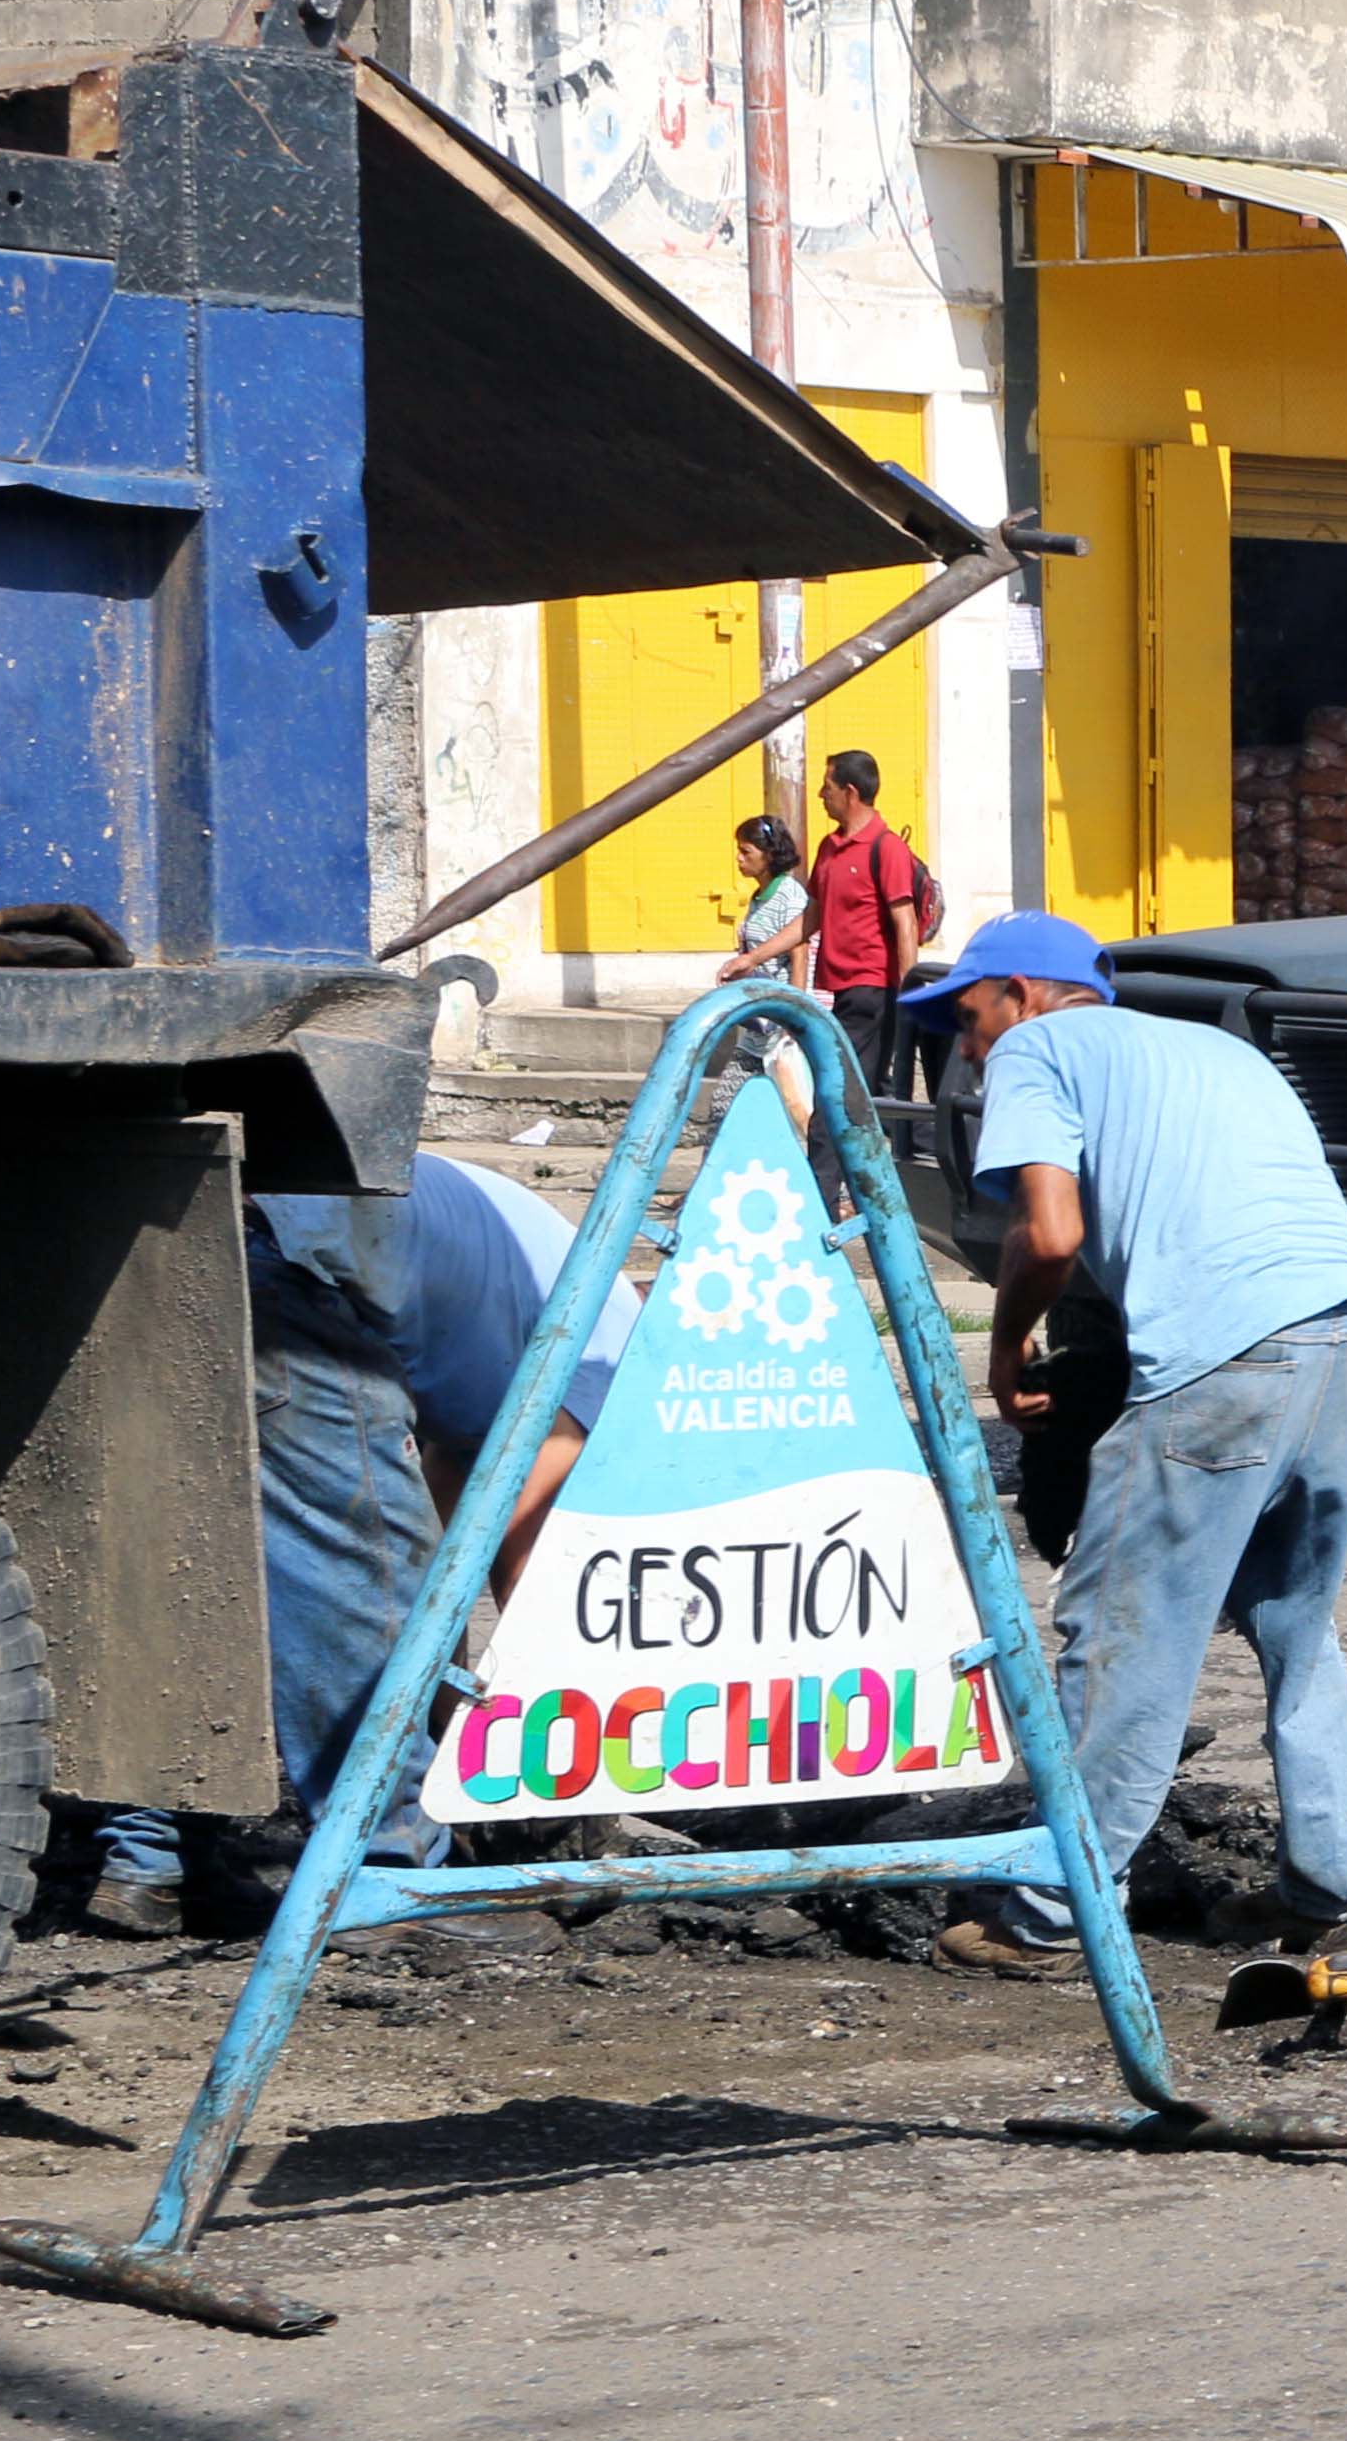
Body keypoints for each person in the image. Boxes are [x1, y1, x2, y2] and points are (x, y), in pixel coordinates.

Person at [910, 913, 1347, 1974]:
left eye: (967, 1018)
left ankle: (1052, 1909)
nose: (967, 1047)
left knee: (1123, 1625)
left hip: (1227, 1353)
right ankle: (1343, 1883)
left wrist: (1004, 1352)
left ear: (1024, 993)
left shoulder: (1037, 1049)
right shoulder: (1216, 1049)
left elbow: (1049, 1233)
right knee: (1297, 1623)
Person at [83, 1156, 638, 1934]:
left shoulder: (535, 1326)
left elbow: (451, 1523)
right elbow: (519, 1580)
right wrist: (495, 1743)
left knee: (192, 1563)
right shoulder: (619, 1369)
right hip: (292, 1266)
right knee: (358, 1575)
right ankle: (394, 1875)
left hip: (180, 1226)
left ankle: (149, 1861)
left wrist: (449, 1702)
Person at [806, 750, 945, 1113]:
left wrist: (908, 991)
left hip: (871, 988)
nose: (822, 795)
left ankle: (821, 1171)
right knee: (871, 1093)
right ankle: (942, 1146)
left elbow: (906, 922)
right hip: (839, 987)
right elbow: (810, 919)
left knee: (839, 1088)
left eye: (827, 787)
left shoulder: (887, 848)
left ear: (850, 793)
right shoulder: (828, 848)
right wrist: (753, 958)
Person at [714, 811, 818, 1125]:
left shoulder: (790, 896)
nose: (738, 858)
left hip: (781, 1033)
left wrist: (794, 1016)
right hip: (757, 1029)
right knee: (724, 1107)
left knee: (794, 1114)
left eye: (746, 852)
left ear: (769, 855)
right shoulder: (758, 898)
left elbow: (800, 954)